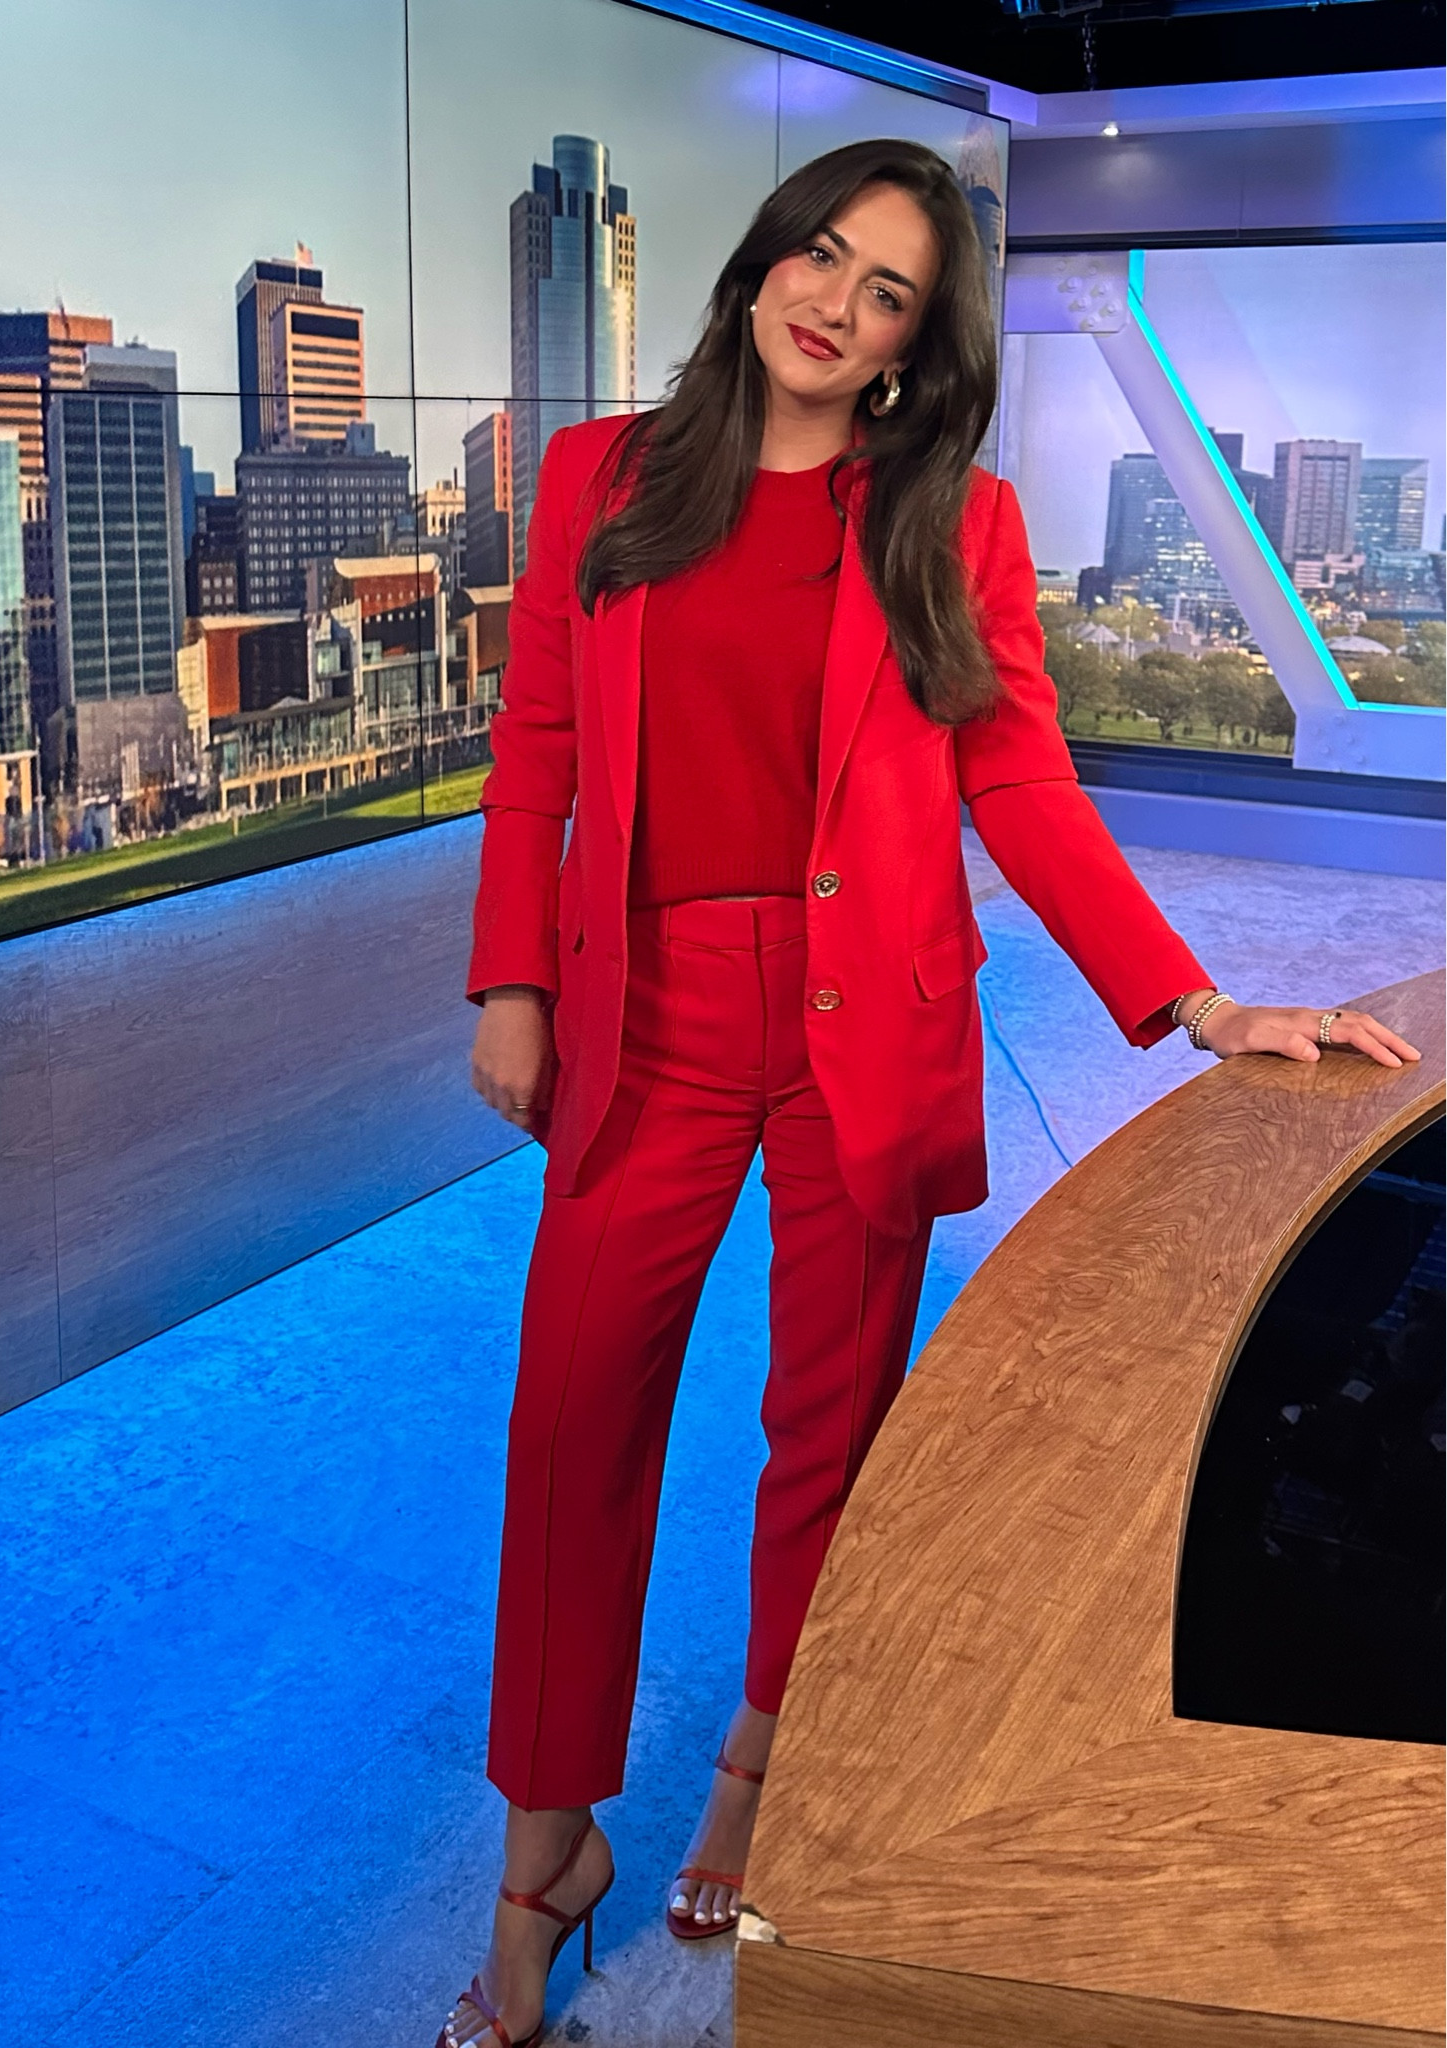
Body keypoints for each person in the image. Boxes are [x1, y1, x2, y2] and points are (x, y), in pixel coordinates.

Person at [437, 138, 1419, 2048]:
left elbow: (1016, 778)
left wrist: (1192, 1000)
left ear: (910, 344)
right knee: (569, 1427)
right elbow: (534, 749)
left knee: (829, 1424)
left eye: (884, 291)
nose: (836, 304)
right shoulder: (599, 481)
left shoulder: (945, 520)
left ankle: (761, 1760)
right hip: (645, 1016)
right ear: (758, 265)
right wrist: (511, 981)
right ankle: (543, 1853)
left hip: (860, 1026)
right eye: (820, 257)